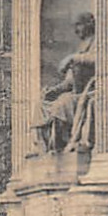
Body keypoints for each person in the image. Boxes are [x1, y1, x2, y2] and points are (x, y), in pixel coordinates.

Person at [37, 12, 95, 152]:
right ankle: (42, 146)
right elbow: (69, 82)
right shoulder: (80, 48)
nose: (76, 30)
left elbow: (96, 59)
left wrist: (73, 58)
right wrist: (53, 90)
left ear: (89, 24)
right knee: (41, 104)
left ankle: (59, 146)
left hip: (90, 90)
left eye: (78, 25)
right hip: (76, 91)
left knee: (62, 103)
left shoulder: (97, 42)